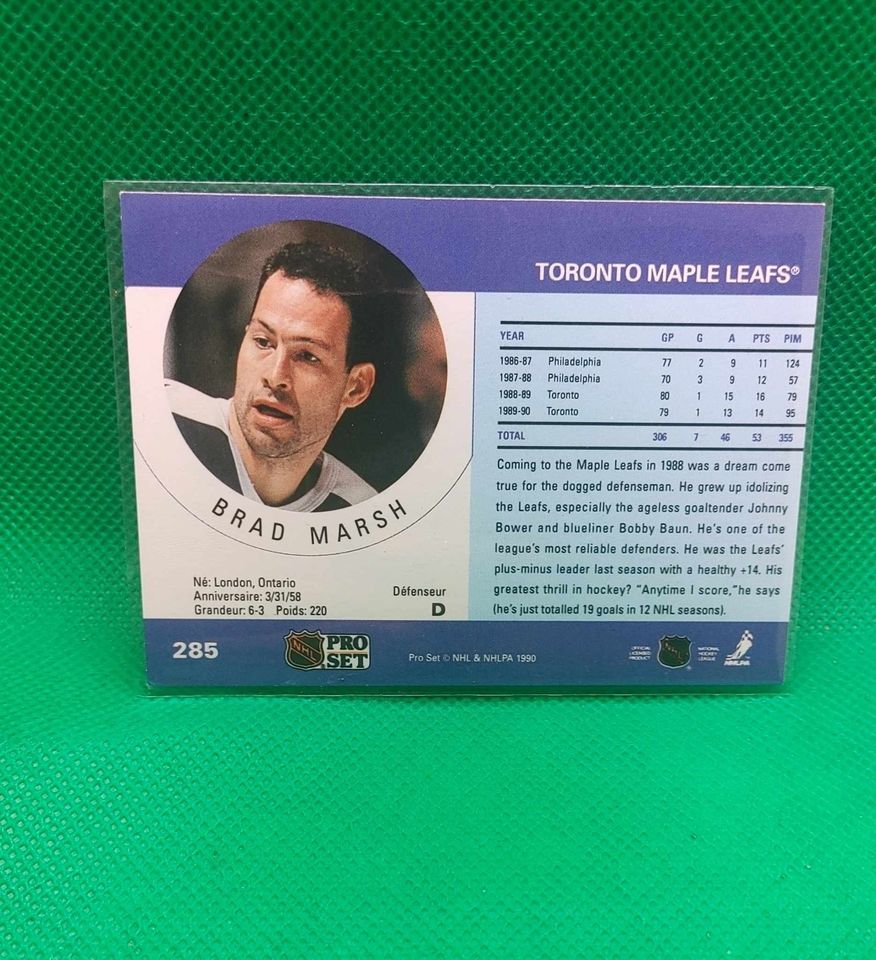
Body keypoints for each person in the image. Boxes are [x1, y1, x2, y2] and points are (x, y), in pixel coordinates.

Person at [166, 241, 379, 512]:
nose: (275, 376)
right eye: (263, 342)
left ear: (356, 387)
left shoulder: (360, 510)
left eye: (307, 356)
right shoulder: (161, 421)